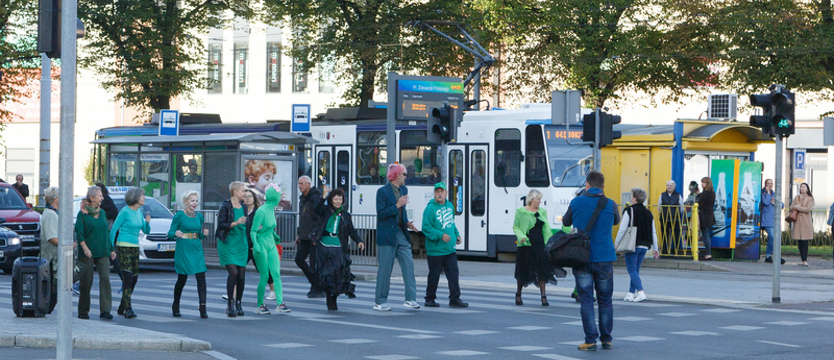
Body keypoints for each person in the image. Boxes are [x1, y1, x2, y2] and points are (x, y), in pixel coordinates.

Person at [563, 170, 620, 351]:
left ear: (587, 184)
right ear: (603, 186)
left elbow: (565, 222)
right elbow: (616, 221)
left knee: (587, 300)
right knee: (605, 301)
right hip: (604, 258)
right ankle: (607, 339)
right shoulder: (611, 204)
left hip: (582, 258)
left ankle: (590, 340)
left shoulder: (576, 202)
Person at [373, 163, 420, 311]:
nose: (406, 177)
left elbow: (402, 212)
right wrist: (397, 205)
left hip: (401, 232)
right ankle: (380, 301)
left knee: (409, 264)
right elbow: (381, 214)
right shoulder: (382, 192)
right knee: (385, 269)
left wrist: (407, 223)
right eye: (404, 174)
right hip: (387, 235)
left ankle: (410, 298)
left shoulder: (404, 189)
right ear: (396, 175)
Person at [310, 188, 365, 310]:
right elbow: (317, 210)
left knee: (338, 275)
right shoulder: (325, 210)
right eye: (336, 199)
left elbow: (351, 230)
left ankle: (334, 297)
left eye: (340, 199)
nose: (338, 201)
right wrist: (323, 197)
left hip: (338, 247)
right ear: (331, 200)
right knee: (327, 275)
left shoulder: (345, 215)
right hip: (324, 246)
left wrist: (359, 241)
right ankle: (330, 301)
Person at [422, 182, 467, 308]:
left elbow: (451, 223)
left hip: (449, 249)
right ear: (434, 193)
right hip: (435, 250)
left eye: (442, 191)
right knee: (434, 275)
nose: (439, 194)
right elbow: (425, 228)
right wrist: (440, 235)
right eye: (437, 191)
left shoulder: (449, 206)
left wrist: (457, 235)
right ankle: (429, 299)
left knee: (453, 274)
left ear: (446, 193)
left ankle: (455, 299)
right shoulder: (430, 208)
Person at [75, 186, 116, 320]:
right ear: (92, 198)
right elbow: (79, 234)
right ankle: (83, 311)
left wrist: (111, 249)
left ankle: (105, 310)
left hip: (102, 251)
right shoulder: (82, 213)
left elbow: (105, 232)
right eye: (99, 196)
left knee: (105, 279)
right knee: (86, 282)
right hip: (87, 252)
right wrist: (85, 249)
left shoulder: (102, 212)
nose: (102, 198)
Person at [110, 187, 151, 319]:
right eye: (142, 196)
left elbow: (145, 230)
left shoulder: (139, 212)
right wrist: (111, 249)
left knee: (134, 278)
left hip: (134, 247)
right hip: (123, 246)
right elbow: (113, 229)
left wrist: (147, 223)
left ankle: (122, 305)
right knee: (127, 278)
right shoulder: (125, 211)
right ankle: (128, 308)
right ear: (135, 197)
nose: (144, 198)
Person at [512, 189, 559, 306]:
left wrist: (550, 242)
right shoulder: (521, 211)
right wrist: (521, 236)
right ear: (532, 199)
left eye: (540, 199)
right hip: (526, 244)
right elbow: (516, 227)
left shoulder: (542, 212)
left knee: (542, 270)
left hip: (539, 245)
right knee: (522, 271)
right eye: (538, 199)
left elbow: (545, 228)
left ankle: (543, 296)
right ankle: (518, 294)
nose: (540, 201)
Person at [250, 184, 291, 315]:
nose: (279, 199)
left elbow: (269, 228)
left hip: (271, 243)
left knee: (276, 274)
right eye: (278, 196)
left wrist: (275, 236)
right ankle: (259, 304)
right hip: (261, 244)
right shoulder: (261, 211)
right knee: (265, 275)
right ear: (274, 197)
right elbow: (253, 231)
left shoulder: (271, 209)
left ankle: (280, 303)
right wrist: (255, 244)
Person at [615, 188, 658, 303]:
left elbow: (622, 228)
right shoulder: (649, 213)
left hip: (633, 243)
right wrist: (656, 248)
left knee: (631, 269)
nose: (630, 197)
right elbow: (653, 231)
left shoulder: (629, 210)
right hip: (645, 245)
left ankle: (640, 292)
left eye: (631, 196)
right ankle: (630, 293)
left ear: (634, 198)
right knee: (636, 270)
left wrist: (616, 242)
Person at [215, 182, 249, 317]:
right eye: (243, 191)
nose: (245, 193)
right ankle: (230, 303)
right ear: (235, 192)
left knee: (241, 275)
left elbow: (247, 224)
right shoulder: (225, 206)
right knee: (233, 273)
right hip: (227, 243)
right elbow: (221, 224)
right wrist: (236, 222)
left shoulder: (244, 207)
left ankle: (239, 302)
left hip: (241, 244)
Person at [244, 189, 275, 300]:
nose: (247, 198)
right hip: (244, 244)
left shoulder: (259, 211)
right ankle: (232, 293)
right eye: (245, 196)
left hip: (257, 244)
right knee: (238, 268)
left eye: (249, 196)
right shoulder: (241, 211)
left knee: (263, 268)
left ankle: (273, 290)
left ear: (254, 199)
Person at [296, 175, 325, 298]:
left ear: (309, 184)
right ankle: (315, 283)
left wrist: (316, 235)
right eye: (299, 183)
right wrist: (299, 234)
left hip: (313, 237)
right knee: (299, 259)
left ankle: (317, 288)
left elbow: (319, 218)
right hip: (304, 235)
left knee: (314, 263)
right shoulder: (302, 198)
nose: (300, 186)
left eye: (302, 183)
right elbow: (303, 218)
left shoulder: (315, 198)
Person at [39, 186, 61, 313]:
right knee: (53, 286)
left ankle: (48, 309)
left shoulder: (51, 212)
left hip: (53, 256)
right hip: (51, 257)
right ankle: (47, 309)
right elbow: (51, 237)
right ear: (55, 199)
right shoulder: (51, 214)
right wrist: (66, 244)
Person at [790, 183, 814, 267]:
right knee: (799, 241)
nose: (802, 188)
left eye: (804, 187)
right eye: (801, 187)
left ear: (807, 189)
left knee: (805, 241)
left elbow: (808, 209)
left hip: (805, 222)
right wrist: (795, 207)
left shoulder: (810, 198)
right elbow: (791, 207)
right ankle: (802, 259)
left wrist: (798, 207)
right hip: (797, 222)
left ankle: (805, 260)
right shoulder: (797, 197)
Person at [761, 179, 784, 264]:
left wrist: (776, 203)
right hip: (766, 220)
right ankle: (768, 255)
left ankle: (776, 256)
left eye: (771, 183)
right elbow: (766, 202)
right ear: (765, 184)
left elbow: (782, 205)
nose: (770, 185)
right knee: (772, 237)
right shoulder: (763, 193)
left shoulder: (774, 194)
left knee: (777, 238)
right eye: (768, 183)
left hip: (775, 220)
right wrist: (767, 193)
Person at [658, 180, 684, 255]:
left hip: (675, 219)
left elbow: (681, 207)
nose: (669, 187)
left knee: (676, 235)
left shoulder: (678, 195)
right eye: (668, 185)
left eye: (671, 185)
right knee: (664, 235)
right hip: (664, 218)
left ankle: (677, 252)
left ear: (674, 187)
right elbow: (659, 207)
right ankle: (664, 252)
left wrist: (677, 214)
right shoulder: (662, 195)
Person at [698, 177, 716, 261]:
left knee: (705, 235)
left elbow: (700, 203)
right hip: (710, 216)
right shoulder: (712, 193)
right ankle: (708, 253)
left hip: (704, 216)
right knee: (707, 234)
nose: (702, 184)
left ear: (707, 183)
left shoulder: (705, 193)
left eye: (704, 183)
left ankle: (708, 253)